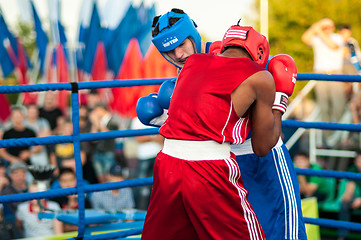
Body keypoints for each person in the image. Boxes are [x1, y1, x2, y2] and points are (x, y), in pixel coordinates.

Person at [138, 9, 307, 240]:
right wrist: (164, 119)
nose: (178, 54)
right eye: (169, 50)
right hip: (215, 163)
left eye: (182, 45)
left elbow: (264, 78)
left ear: (192, 35)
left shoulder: (223, 55)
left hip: (254, 158)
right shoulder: (193, 65)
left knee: (279, 228)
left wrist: (278, 94)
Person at [302, 18, 346, 143]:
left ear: (332, 28)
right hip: (320, 76)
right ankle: (328, 139)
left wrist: (318, 30)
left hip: (335, 76)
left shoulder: (338, 38)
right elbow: (305, 38)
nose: (325, 30)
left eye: (327, 27)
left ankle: (341, 138)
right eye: (323, 27)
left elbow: (332, 46)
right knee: (324, 108)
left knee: (339, 107)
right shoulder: (317, 39)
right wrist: (316, 26)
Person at [130, 117, 163, 210]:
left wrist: (147, 136)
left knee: (157, 187)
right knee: (141, 188)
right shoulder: (136, 120)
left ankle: (152, 210)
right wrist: (153, 136)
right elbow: (138, 139)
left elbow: (161, 138)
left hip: (156, 155)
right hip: (144, 156)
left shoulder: (158, 118)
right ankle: (140, 211)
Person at [89, 102, 120, 183]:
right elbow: (93, 139)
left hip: (108, 153)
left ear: (100, 109)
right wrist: (95, 123)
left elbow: (107, 135)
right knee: (101, 180)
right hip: (97, 153)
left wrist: (97, 122)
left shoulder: (113, 120)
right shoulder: (98, 121)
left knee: (110, 178)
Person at [338, 151, 361, 240]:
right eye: (359, 161)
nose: (360, 164)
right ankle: (342, 236)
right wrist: (347, 195)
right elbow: (350, 186)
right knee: (344, 203)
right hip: (357, 198)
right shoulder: (353, 169)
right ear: (355, 162)